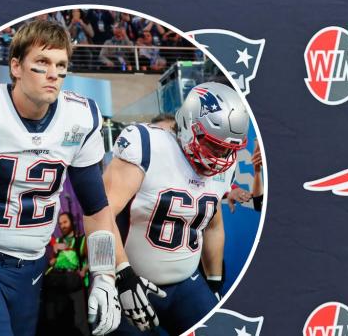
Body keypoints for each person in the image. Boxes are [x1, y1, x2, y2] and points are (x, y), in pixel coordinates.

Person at [0, 20, 130, 336]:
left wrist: (104, 275)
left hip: (34, 264)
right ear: (16, 66)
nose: (53, 73)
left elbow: (96, 211)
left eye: (61, 65)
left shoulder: (80, 118)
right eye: (42, 62)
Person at [103, 82, 249, 334]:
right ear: (190, 126)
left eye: (229, 150)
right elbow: (101, 213)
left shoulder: (225, 169)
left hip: (187, 285)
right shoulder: (148, 145)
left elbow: (213, 226)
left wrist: (214, 283)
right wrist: (121, 274)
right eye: (214, 146)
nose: (221, 159)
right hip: (130, 280)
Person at [39, 212, 90, 336]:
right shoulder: (57, 241)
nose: (62, 225)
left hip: (75, 284)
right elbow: (51, 262)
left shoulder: (80, 240)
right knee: (56, 320)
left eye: (65, 222)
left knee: (79, 321)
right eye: (60, 223)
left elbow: (92, 259)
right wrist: (53, 255)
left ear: (72, 222)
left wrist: (83, 271)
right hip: (57, 283)